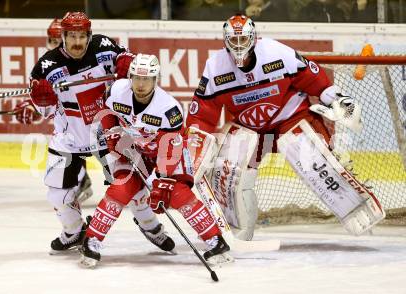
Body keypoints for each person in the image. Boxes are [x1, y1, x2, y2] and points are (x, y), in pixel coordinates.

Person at [186, 14, 383, 239]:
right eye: (234, 40)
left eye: (243, 40)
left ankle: (356, 206)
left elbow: (313, 79)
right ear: (225, 41)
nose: (239, 45)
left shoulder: (276, 52)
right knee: (229, 170)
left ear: (253, 38)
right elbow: (201, 115)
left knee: (311, 159)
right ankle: (236, 230)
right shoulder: (215, 68)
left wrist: (336, 98)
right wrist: (194, 146)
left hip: (290, 115)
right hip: (250, 127)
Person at [27, 12, 175, 254]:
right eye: (71, 36)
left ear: (90, 35)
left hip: (108, 133)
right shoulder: (46, 67)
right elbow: (45, 112)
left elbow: (131, 64)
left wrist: (126, 62)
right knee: (58, 195)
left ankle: (150, 226)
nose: (77, 42)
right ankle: (74, 231)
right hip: (70, 138)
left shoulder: (104, 47)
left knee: (134, 187)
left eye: (82, 36)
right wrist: (41, 99)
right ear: (63, 36)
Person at [79, 54, 232, 268]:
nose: (141, 84)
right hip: (134, 150)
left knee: (177, 194)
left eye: (147, 79)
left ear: (156, 79)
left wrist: (162, 182)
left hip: (168, 154)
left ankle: (216, 241)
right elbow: (107, 110)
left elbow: (170, 150)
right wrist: (112, 131)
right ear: (130, 77)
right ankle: (92, 239)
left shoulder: (169, 109)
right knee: (120, 188)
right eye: (137, 78)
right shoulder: (117, 90)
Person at [13, 17, 93, 203]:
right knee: (67, 137)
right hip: (76, 122)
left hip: (95, 118)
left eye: (57, 40)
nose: (54, 45)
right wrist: (34, 104)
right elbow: (50, 99)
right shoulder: (47, 64)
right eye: (51, 40)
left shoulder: (81, 59)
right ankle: (80, 179)